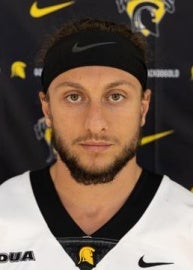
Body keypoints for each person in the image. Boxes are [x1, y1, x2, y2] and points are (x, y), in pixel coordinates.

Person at [0, 18, 193, 270]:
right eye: (74, 97)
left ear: (143, 107)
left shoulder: (187, 224)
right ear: (47, 108)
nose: (94, 124)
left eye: (115, 96)